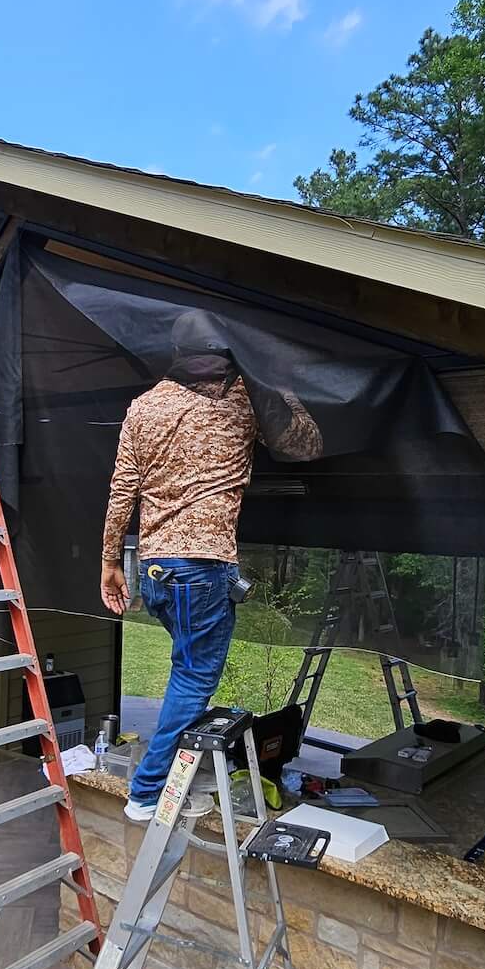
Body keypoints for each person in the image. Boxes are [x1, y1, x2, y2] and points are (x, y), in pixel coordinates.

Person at [100, 309, 322, 820]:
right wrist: (279, 385)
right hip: (201, 570)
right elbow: (305, 445)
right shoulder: (244, 397)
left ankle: (161, 772)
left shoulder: (145, 406)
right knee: (194, 679)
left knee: (185, 668)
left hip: (156, 572)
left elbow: (121, 491)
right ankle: (147, 790)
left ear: (177, 355)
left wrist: (112, 562)